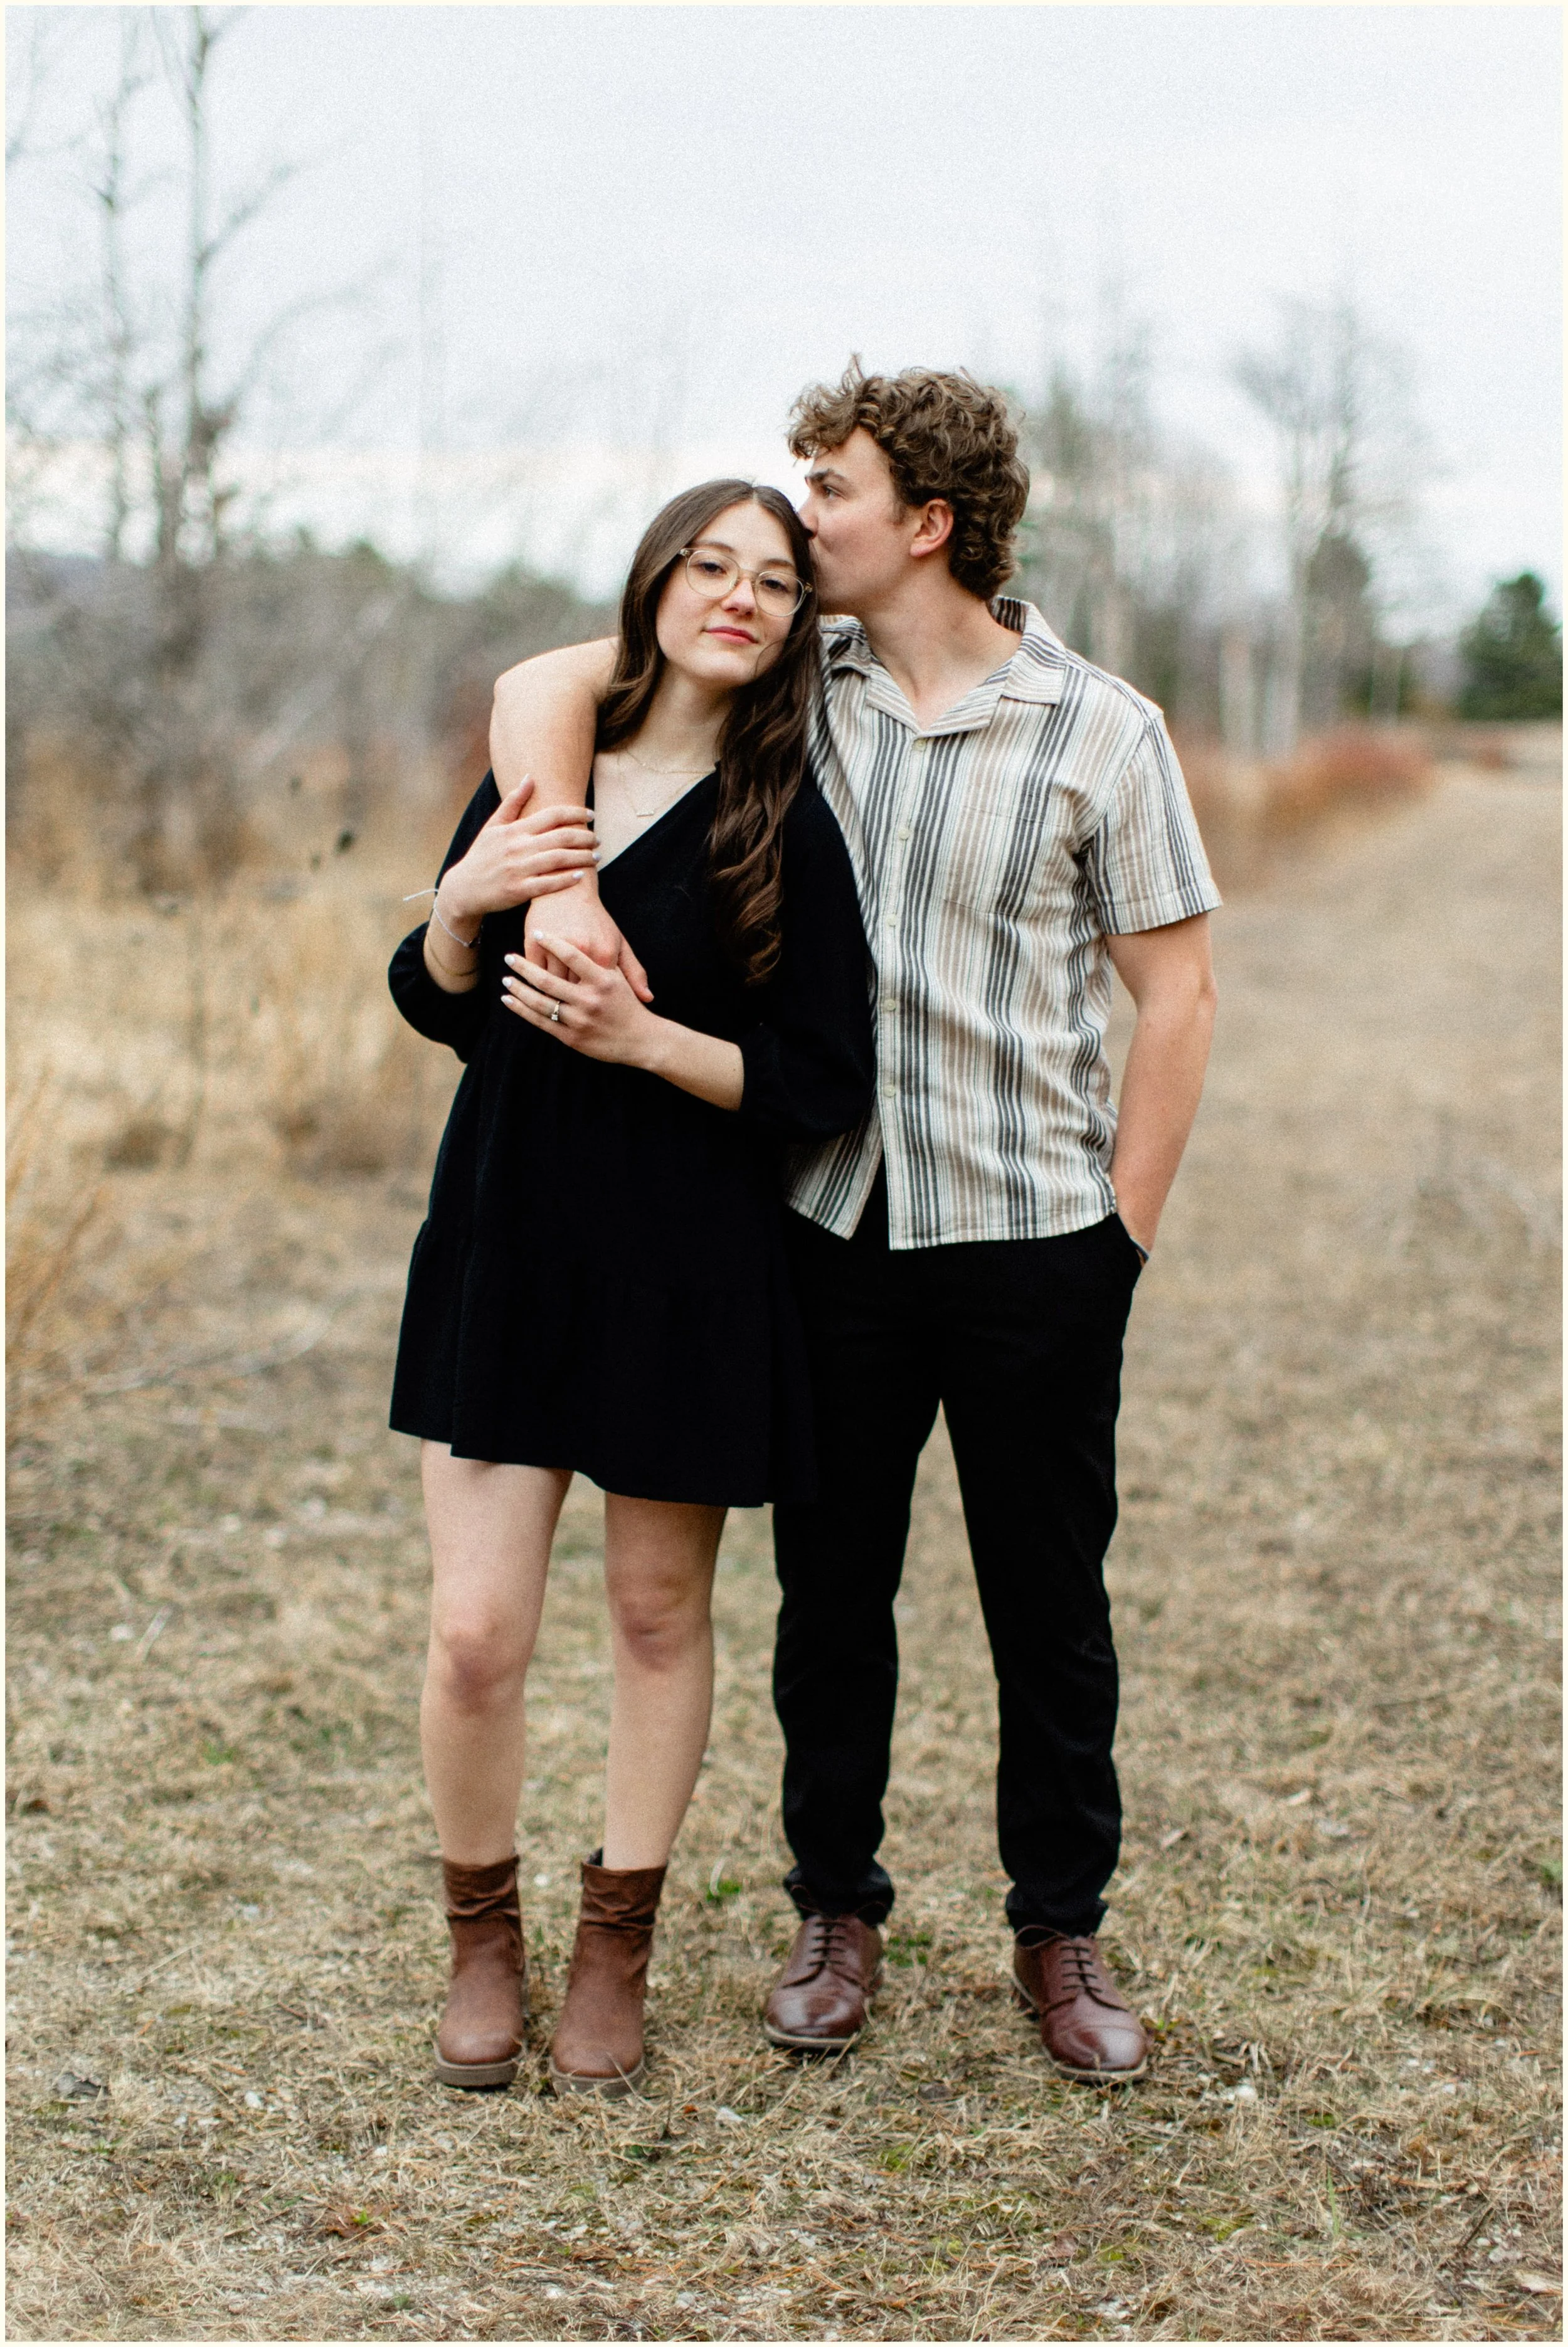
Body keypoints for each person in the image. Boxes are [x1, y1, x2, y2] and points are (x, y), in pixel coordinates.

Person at [488, 362, 1221, 2086]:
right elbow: (540, 681)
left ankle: (1060, 1927)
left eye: (827, 491)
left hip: (1035, 1228)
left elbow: (1173, 993)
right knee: (833, 1596)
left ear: (926, 525)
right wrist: (569, 874)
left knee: (1048, 1599)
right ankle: (836, 1907)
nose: (795, 518)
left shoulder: (1097, 727)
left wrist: (1117, 1236)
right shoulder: (782, 686)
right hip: (820, 1221)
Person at [388, 479, 874, 2097]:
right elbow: (439, 1000)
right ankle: (480, 1938)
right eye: (711, 567)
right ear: (656, 584)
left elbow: (825, 1077)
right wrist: (462, 908)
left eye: (775, 580)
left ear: (800, 619)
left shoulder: (789, 810)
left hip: (688, 1262)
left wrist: (644, 1041)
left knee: (660, 1617)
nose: (739, 597)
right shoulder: (552, 765)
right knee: (475, 1634)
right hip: (511, 1230)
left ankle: (617, 1938)